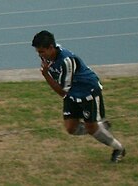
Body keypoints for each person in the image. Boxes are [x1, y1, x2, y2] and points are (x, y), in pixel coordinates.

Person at [32, 30, 125, 163]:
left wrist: (46, 75)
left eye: (41, 51)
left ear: (51, 48)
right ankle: (98, 127)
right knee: (71, 128)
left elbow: (62, 92)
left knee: (91, 128)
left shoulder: (66, 61)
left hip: (87, 92)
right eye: (38, 52)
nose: (39, 55)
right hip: (72, 92)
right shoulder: (46, 56)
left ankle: (119, 149)